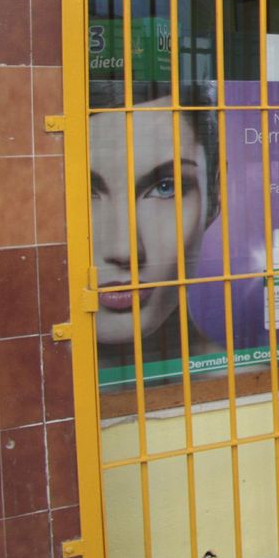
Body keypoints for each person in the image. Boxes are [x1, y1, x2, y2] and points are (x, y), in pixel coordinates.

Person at [89, 85, 222, 381]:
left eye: (165, 187)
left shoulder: (254, 387)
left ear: (215, 195)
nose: (125, 249)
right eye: (85, 192)